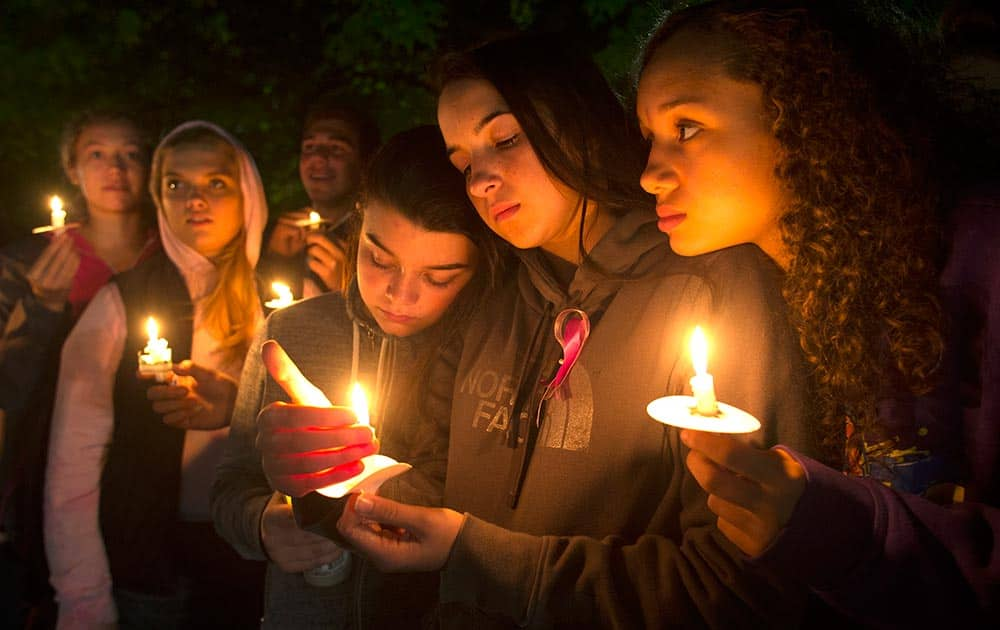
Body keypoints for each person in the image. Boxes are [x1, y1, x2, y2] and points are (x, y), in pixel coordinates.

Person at [260, 35, 824, 628]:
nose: (480, 180)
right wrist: (325, 480)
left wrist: (481, 557)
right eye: (463, 163)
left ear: (580, 121)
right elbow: (440, 497)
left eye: (505, 139)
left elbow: (739, 588)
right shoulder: (494, 295)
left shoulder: (715, 288)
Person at [633, 1, 1000, 625]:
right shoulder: (819, 290)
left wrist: (833, 523)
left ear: (801, 115)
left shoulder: (981, 252)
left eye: (687, 127)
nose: (649, 176)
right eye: (649, 139)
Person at [212, 124, 507, 629]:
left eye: (437, 277)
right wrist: (262, 524)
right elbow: (229, 485)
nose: (399, 295)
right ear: (355, 226)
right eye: (378, 258)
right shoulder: (292, 332)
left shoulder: (495, 353)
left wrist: (361, 495)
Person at [43, 121, 268, 629]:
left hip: (258, 556)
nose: (194, 200)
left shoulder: (284, 298)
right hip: (151, 564)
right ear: (158, 198)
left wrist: (239, 405)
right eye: (176, 185)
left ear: (247, 191)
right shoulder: (121, 301)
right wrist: (83, 600)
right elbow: (73, 463)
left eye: (216, 183)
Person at [0, 108, 159, 628]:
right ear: (71, 168)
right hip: (43, 467)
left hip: (146, 470)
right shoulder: (28, 262)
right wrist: (41, 309)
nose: (116, 168)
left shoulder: (172, 257)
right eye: (97, 155)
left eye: (131, 154)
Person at [258, 95, 380, 299]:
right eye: (310, 147)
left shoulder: (377, 240)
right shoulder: (273, 235)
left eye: (336, 149)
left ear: (364, 162)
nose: (318, 157)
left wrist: (351, 286)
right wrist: (275, 260)